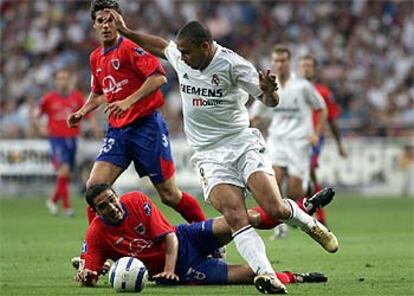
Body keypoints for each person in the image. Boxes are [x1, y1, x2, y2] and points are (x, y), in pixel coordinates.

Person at [105, 7, 338, 294]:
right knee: (235, 216)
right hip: (208, 154)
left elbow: (271, 102)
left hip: (241, 143)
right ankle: (267, 274)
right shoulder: (182, 55)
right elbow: (161, 46)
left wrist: (269, 91)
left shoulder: (234, 65)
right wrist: (127, 32)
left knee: (274, 208)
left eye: (188, 52)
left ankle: (308, 222)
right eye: (182, 53)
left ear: (206, 46)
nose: (183, 58)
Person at [66, 0, 205, 224]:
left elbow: (159, 76)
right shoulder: (95, 57)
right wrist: (82, 111)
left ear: (119, 21)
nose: (105, 25)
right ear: (94, 25)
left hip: (146, 128)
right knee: (94, 190)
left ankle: (210, 239)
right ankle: (97, 248)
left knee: (169, 195)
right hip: (118, 132)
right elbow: (98, 91)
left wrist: (128, 101)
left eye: (110, 20)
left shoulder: (130, 47)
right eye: (100, 21)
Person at [75, 184, 330, 292]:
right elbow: (90, 271)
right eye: (104, 206)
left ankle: (300, 208)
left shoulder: (136, 201)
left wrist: (167, 270)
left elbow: (170, 239)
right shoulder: (96, 233)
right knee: (255, 275)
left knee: (242, 217)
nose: (112, 206)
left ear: (116, 195)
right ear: (96, 212)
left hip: (185, 240)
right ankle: (296, 276)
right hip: (189, 270)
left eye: (112, 199)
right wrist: (88, 275)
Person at [250, 45, 328, 238]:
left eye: (283, 60)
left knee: (294, 190)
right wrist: (249, 126)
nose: (279, 64)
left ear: (289, 62)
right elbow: (255, 114)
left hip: (299, 142)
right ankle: (280, 225)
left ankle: (297, 206)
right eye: (276, 61)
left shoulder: (302, 86)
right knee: (274, 181)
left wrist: (316, 134)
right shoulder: (269, 86)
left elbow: (322, 108)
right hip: (277, 140)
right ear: (272, 62)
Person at [34, 69, 94, 216]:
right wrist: (41, 127)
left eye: (65, 78)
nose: (63, 81)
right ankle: (67, 208)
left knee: (65, 174)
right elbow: (36, 115)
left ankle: (53, 201)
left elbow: (88, 113)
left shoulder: (77, 98)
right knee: (64, 170)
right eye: (60, 78)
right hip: (56, 139)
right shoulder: (49, 98)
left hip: (73, 139)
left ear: (70, 80)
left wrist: (93, 126)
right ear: (55, 81)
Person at [299, 54, 347, 225]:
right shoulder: (292, 90)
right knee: (298, 176)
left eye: (309, 65)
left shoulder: (323, 93)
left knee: (308, 169)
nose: (305, 68)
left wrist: (340, 144)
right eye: (303, 65)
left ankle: (319, 215)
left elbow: (332, 119)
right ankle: (302, 212)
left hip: (314, 138)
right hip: (293, 139)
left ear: (315, 70)